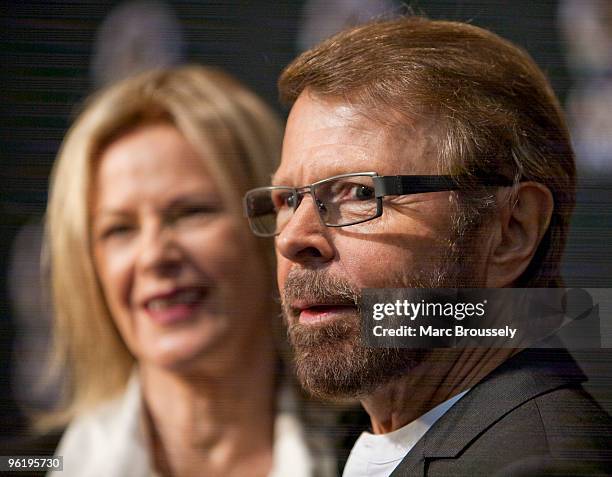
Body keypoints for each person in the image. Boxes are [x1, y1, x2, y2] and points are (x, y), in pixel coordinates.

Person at [243, 17, 612, 476]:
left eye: (360, 193)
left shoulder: (536, 469)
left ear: (511, 230)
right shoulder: (345, 446)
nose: (296, 238)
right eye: (288, 200)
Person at [44, 65, 336, 477]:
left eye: (191, 213)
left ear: (275, 221)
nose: (154, 256)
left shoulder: (383, 454)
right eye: (119, 229)